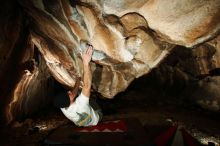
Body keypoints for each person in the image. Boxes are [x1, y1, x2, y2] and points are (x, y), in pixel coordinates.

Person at [53, 45, 102, 127]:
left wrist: (78, 80)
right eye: (68, 94)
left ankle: (87, 108)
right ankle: (94, 103)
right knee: (88, 96)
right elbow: (87, 86)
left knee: (80, 93)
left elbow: (73, 94)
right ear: (70, 101)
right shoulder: (80, 104)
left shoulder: (63, 107)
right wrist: (85, 62)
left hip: (84, 123)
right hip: (96, 118)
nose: (69, 91)